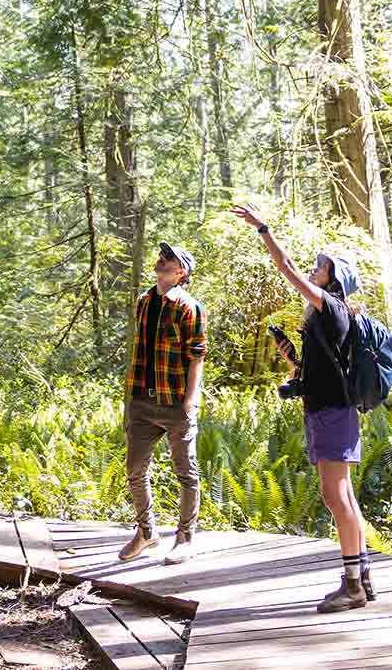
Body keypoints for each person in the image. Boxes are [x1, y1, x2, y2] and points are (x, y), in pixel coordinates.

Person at [231, 204, 376, 612]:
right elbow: (322, 371)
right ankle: (362, 576)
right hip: (329, 409)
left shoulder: (330, 306)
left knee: (335, 497)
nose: (313, 270)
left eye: (321, 267)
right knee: (344, 496)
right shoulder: (326, 318)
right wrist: (293, 359)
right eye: (316, 265)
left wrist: (263, 228)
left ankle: (352, 587)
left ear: (334, 280)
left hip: (332, 412)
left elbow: (287, 267)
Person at [118, 242, 208, 564]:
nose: (162, 260)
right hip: (142, 400)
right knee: (134, 470)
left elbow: (196, 357)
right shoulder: (144, 301)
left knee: (186, 472)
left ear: (181, 272)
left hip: (175, 403)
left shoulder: (189, 307)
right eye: (162, 256)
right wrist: (131, 397)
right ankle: (146, 532)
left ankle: (185, 538)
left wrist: (189, 401)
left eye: (170, 258)